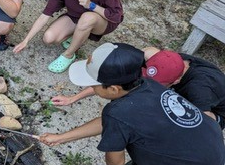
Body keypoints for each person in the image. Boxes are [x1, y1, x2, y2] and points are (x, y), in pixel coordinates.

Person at [40, 43, 225, 165]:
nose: (92, 88)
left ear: (113, 89)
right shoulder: (145, 84)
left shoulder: (119, 112)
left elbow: (114, 159)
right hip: (196, 146)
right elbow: (107, 122)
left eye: (94, 84)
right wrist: (61, 138)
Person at [51, 47, 225, 129]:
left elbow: (205, 124)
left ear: (177, 80)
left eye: (156, 83)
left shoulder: (200, 92)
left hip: (215, 113)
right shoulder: (159, 58)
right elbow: (111, 80)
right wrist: (72, 99)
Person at [50, 48, 184, 105]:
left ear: (177, 81)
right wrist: (72, 99)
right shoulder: (144, 59)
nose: (145, 82)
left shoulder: (194, 93)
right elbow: (106, 81)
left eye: (153, 82)